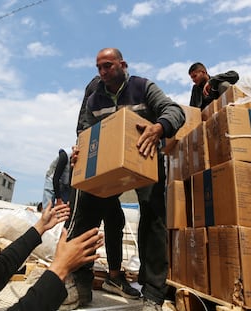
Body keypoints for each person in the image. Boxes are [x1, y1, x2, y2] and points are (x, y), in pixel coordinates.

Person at [68, 48, 185, 311]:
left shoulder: (143, 87)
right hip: (108, 167)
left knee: (153, 216)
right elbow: (86, 132)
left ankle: (153, 293)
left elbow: (174, 111)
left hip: (143, 158)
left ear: (123, 64)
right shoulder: (94, 97)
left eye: (107, 66)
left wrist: (159, 127)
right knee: (87, 212)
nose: (102, 72)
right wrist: (80, 150)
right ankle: (80, 284)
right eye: (98, 67)